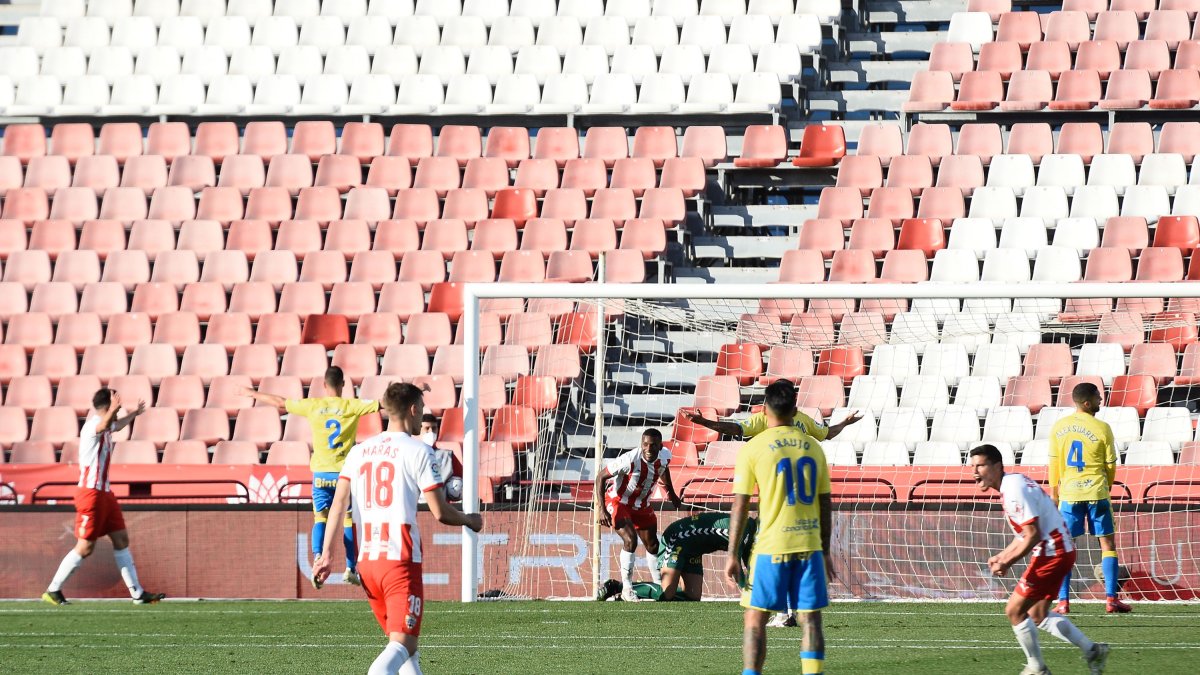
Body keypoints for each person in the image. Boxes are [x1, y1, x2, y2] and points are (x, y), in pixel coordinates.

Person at [313, 382, 483, 675]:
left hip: (367, 563)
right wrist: (470, 519)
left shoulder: (358, 452)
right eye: (422, 412)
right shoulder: (418, 451)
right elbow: (440, 512)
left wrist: (326, 554)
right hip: (400, 560)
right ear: (414, 409)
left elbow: (338, 506)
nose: (422, 420)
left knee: (408, 649)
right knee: (400, 645)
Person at [969, 444, 1110, 675]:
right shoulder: (1013, 484)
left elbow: (1033, 535)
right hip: (1058, 551)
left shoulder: (1013, 489)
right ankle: (1092, 650)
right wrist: (1003, 555)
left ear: (997, 466)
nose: (975, 472)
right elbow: (1027, 533)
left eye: (981, 465)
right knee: (1037, 614)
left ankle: (1037, 668)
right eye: (973, 466)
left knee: (1014, 611)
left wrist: (1007, 562)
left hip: (1051, 554)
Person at [726, 380, 832, 675]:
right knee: (810, 619)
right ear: (795, 410)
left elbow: (741, 505)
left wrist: (732, 553)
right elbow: (825, 503)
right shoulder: (814, 448)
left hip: (770, 547)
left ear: (763, 409)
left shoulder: (754, 448)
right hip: (809, 547)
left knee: (755, 618)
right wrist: (825, 549)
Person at [243, 366, 378, 588]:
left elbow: (280, 402)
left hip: (321, 474)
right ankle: (350, 568)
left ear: (324, 386)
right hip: (344, 475)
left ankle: (318, 556)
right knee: (347, 520)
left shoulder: (313, 405)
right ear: (344, 385)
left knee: (320, 518)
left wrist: (253, 393)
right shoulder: (351, 406)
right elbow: (382, 403)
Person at [42, 388, 165, 606]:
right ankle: (53, 590)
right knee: (85, 547)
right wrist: (115, 410)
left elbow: (115, 425)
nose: (118, 411)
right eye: (116, 406)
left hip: (105, 494)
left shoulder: (107, 427)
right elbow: (105, 425)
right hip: (90, 494)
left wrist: (134, 414)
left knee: (121, 539)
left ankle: (138, 594)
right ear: (109, 406)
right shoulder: (92, 425)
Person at [1048, 382, 1132, 614]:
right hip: (1096, 493)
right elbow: (1110, 465)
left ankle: (1063, 601)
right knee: (1107, 545)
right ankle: (1111, 600)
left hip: (1070, 495)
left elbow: (1054, 464)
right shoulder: (1102, 428)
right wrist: (1108, 485)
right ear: (1087, 403)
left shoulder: (1059, 427)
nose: (1101, 401)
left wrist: (1054, 492)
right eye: (1097, 397)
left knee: (1066, 546)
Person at [594, 428, 684, 602]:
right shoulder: (629, 460)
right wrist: (601, 509)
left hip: (642, 505)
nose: (648, 449)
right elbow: (600, 477)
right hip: (618, 502)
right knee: (630, 540)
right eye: (645, 444)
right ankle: (627, 589)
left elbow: (663, 469)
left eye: (653, 445)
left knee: (653, 546)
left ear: (660, 446)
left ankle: (659, 586)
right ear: (641, 444)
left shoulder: (665, 456)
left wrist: (671, 493)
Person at [597, 513, 758, 602]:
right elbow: (736, 566)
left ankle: (632, 592)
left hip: (694, 549)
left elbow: (750, 569)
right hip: (677, 538)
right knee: (666, 594)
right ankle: (618, 587)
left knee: (693, 597)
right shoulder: (743, 531)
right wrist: (747, 592)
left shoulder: (750, 538)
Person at [684, 379, 861, 442]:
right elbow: (737, 429)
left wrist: (845, 422)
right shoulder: (763, 418)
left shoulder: (801, 418)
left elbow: (827, 433)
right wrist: (705, 422)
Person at [419, 413, 463, 501]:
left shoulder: (448, 455)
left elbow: (458, 481)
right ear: (419, 430)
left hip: (441, 504)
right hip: (416, 505)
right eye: (427, 428)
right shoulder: (411, 454)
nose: (431, 432)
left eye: (434, 428)